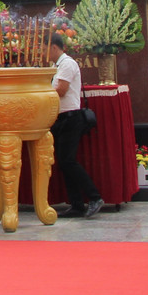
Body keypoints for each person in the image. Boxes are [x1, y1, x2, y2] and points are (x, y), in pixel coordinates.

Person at [47, 35, 103, 219]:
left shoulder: (67, 64)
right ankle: (77, 204)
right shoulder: (56, 67)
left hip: (71, 118)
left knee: (68, 161)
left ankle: (94, 197)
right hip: (60, 118)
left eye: (45, 48)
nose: (43, 53)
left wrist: (42, 95)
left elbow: (61, 90)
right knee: (64, 162)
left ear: (54, 47)